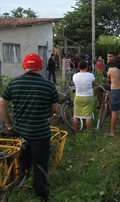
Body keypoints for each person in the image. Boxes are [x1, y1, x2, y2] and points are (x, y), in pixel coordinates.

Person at [0, 53, 58, 201]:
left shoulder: (14, 83)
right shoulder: (48, 85)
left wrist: (9, 124)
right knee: (40, 164)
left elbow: (2, 103)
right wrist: (46, 116)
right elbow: (55, 109)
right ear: (40, 66)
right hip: (40, 133)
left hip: (20, 131)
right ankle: (41, 195)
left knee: (22, 158)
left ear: (24, 66)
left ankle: (20, 180)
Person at [72, 60, 95, 133]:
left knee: (76, 116)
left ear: (78, 67)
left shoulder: (75, 76)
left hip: (78, 97)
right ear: (87, 67)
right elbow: (93, 84)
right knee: (88, 117)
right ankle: (88, 133)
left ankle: (76, 132)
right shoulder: (91, 75)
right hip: (88, 97)